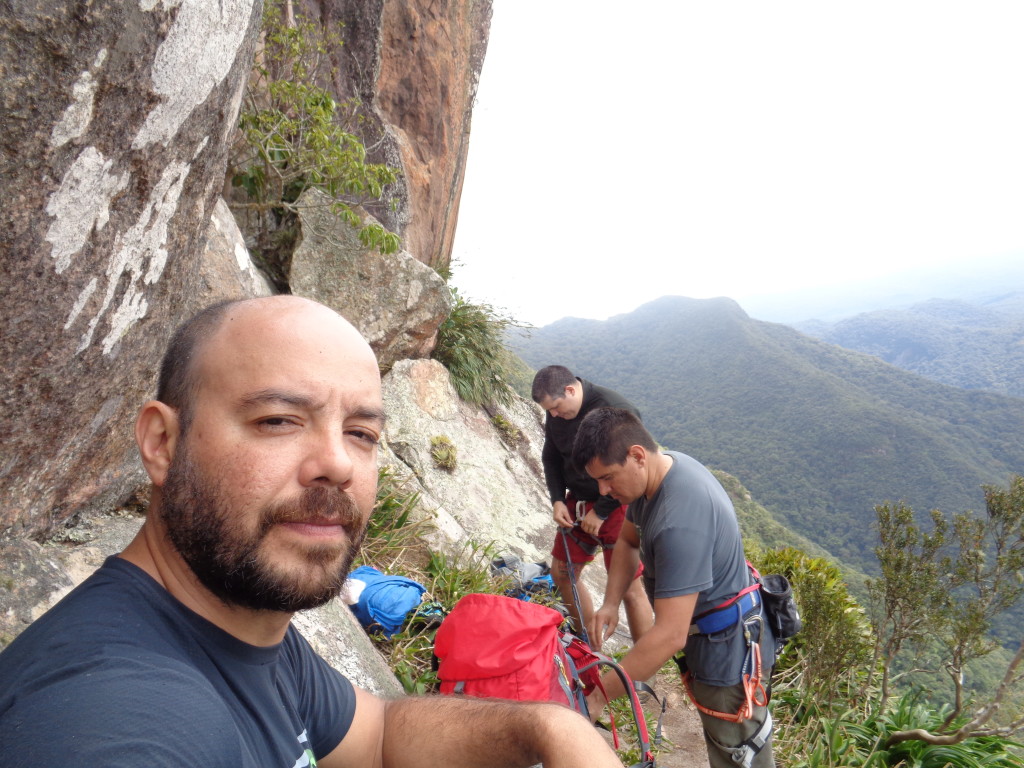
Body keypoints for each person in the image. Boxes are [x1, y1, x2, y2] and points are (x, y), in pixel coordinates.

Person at [0, 296, 622, 768]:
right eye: (277, 419)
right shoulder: (112, 715)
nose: (339, 464)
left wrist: (547, 727)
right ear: (162, 443)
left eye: (362, 434)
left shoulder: (240, 629)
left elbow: (377, 735)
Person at [572, 407, 775, 768]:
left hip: (728, 653)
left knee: (737, 752)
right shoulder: (663, 470)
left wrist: (599, 696)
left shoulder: (677, 521)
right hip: (717, 637)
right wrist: (610, 603)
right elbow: (628, 541)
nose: (603, 491)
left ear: (636, 455)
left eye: (607, 478)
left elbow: (668, 635)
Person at [531, 366, 653, 642]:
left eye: (557, 407)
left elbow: (631, 470)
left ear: (571, 390)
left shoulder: (615, 409)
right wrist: (557, 499)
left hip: (618, 502)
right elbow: (551, 456)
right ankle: (590, 647)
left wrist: (601, 511)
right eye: (549, 411)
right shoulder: (559, 414)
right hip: (577, 501)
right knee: (562, 573)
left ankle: (643, 674)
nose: (554, 415)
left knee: (629, 587)